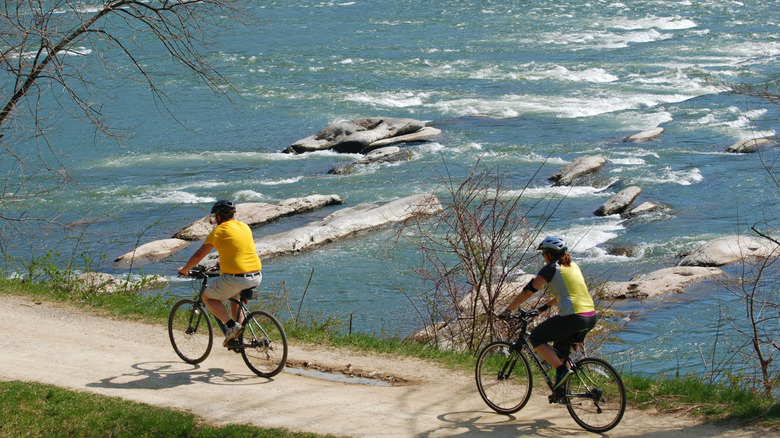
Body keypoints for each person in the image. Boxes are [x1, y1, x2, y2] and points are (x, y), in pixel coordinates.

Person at [499, 236, 597, 391]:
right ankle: (563, 391)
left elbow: (528, 291)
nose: (543, 257)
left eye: (543, 254)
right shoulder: (573, 266)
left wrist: (508, 309)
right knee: (559, 353)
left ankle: (561, 370)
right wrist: (543, 308)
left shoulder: (551, 268)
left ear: (549, 254)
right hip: (590, 317)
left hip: (573, 317)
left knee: (535, 337)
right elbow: (565, 294)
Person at [178, 200, 262, 347]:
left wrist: (185, 269)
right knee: (234, 299)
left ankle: (231, 326)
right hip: (256, 275)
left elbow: (198, 256)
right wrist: (221, 264)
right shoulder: (244, 227)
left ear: (218, 217)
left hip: (237, 278)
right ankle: (237, 337)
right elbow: (238, 250)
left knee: (207, 298)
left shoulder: (219, 231)